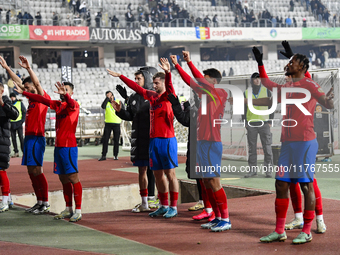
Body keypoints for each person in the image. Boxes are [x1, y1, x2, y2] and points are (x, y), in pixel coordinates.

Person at [251, 43, 334, 244]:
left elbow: (326, 103)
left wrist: (330, 101)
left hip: (305, 142)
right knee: (281, 183)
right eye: (289, 61)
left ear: (302, 68)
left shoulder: (309, 84)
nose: (288, 64)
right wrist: (260, 63)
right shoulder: (288, 86)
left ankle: (307, 230)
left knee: (307, 186)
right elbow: (269, 85)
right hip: (287, 143)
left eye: (292, 61)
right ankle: (279, 231)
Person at [108, 58, 179, 219]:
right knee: (158, 175)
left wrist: (168, 72)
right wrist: (120, 76)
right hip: (153, 141)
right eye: (153, 83)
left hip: (167, 140)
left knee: (170, 174)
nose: (154, 86)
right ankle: (163, 205)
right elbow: (136, 87)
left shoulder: (169, 96)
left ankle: (173, 207)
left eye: (157, 83)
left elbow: (169, 85)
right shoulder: (151, 96)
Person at [171, 52, 231, 232]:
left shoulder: (219, 92)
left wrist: (188, 61)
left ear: (213, 81)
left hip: (213, 142)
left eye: (205, 79)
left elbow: (195, 78)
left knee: (214, 181)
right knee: (206, 181)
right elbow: (189, 80)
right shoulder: (204, 95)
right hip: (203, 142)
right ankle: (216, 216)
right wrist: (177, 66)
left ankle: (225, 219)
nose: (201, 82)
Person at [15, 81, 83, 222]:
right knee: (63, 178)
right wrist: (25, 93)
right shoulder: (58, 105)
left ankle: (78, 210)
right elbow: (41, 99)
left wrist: (66, 96)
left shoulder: (74, 105)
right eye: (62, 89)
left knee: (73, 178)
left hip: (69, 147)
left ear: (71, 93)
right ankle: (68, 208)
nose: (64, 92)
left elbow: (70, 103)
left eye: (66, 90)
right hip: (58, 147)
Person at [0, 56, 51, 215]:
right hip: (28, 138)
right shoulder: (31, 100)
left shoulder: (43, 98)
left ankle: (45, 202)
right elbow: (21, 83)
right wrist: (7, 69)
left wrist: (28, 68)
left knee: (38, 170)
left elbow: (35, 84)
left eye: (29, 88)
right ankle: (39, 201)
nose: (26, 90)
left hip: (37, 138)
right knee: (31, 172)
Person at [112, 67, 158, 212]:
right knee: (142, 170)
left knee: (157, 170)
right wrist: (120, 111)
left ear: (148, 79)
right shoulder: (132, 97)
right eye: (135, 79)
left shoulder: (154, 96)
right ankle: (145, 202)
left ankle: (156, 200)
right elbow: (130, 116)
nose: (136, 81)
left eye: (139, 78)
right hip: (139, 138)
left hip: (153, 138)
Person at [167, 91, 215, 220]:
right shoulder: (194, 106)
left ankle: (218, 212)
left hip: (208, 145)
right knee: (197, 176)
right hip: (195, 144)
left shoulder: (212, 103)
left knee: (210, 180)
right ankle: (207, 208)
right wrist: (177, 105)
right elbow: (185, 120)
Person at [242, 72, 274, 178]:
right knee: (252, 149)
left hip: (264, 123)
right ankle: (252, 170)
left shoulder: (266, 91)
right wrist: (245, 122)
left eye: (259, 78)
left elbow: (271, 105)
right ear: (252, 80)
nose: (257, 80)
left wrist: (270, 121)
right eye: (255, 79)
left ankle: (268, 170)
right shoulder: (246, 93)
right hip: (251, 124)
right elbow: (243, 108)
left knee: (267, 148)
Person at [0, 83, 19, 212]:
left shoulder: (6, 101)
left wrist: (1, 103)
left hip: (2, 142)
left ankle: (5, 201)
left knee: (1, 171)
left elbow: (15, 115)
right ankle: (9, 198)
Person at [98, 91, 121, 161]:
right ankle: (103, 155)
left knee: (116, 140)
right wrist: (107, 99)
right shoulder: (106, 102)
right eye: (107, 95)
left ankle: (116, 155)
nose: (109, 96)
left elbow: (121, 109)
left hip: (116, 123)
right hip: (108, 123)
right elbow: (103, 106)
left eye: (110, 95)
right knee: (105, 139)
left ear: (113, 95)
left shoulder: (118, 101)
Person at [9, 92, 26, 158]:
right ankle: (16, 152)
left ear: (15, 97)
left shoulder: (20, 103)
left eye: (13, 97)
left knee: (21, 138)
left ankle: (23, 152)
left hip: (19, 123)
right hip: (12, 123)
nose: (12, 98)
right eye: (11, 97)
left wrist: (22, 121)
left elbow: (24, 112)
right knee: (13, 139)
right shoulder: (9, 104)